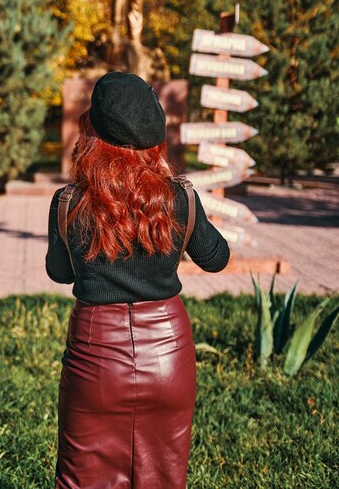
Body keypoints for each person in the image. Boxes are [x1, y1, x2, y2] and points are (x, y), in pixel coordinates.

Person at [46, 71, 230, 489]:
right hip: (169, 358)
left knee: (83, 480)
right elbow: (216, 259)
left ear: (92, 133)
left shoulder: (69, 202)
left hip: (95, 359)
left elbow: (58, 272)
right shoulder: (179, 197)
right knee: (163, 479)